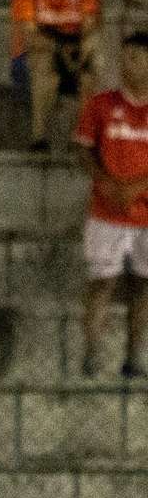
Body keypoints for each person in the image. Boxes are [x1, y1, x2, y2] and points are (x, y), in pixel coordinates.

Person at [74, 31, 148, 378]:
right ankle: (91, 356)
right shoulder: (101, 104)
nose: (126, 64)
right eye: (125, 57)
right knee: (101, 282)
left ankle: (134, 357)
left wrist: (136, 187)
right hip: (106, 211)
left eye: (135, 58)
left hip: (145, 213)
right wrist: (106, 182)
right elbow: (84, 149)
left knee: (142, 286)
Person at [11, 0, 101, 151]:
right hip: (35, 51)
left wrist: (80, 49)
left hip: (74, 46)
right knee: (44, 66)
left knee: (95, 62)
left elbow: (89, 23)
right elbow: (29, 33)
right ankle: (39, 137)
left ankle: (83, 138)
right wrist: (61, 50)